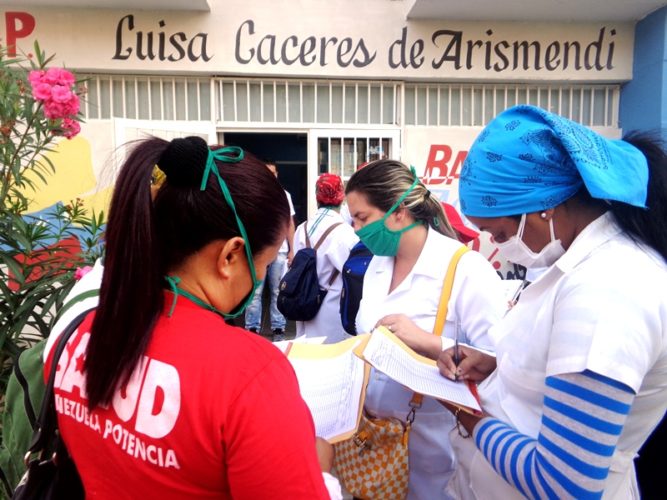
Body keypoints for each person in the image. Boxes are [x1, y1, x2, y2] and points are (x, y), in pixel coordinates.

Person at [44, 136, 337, 498]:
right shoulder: (249, 375)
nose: (262, 275)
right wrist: (320, 470)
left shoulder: (79, 335)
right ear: (231, 256)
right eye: (266, 260)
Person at [437, 105, 667, 499]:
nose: (495, 244)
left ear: (543, 208)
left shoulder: (608, 290)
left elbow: (566, 483)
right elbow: (566, 376)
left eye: (499, 231)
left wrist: (467, 414)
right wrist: (498, 366)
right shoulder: (579, 265)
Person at [345, 160, 506, 499]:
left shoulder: (465, 270)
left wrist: (429, 343)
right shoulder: (377, 264)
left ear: (399, 212)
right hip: (374, 440)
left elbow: (501, 363)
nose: (357, 229)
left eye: (363, 218)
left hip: (434, 449)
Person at [292, 173, 358, 343]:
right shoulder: (344, 232)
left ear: (316, 196)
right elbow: (351, 272)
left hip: (303, 302)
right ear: (342, 197)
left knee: (305, 354)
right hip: (329, 306)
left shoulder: (302, 228)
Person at [244, 159, 295, 341]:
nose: (271, 176)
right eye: (268, 172)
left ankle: (279, 328)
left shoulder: (284, 195)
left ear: (277, 174)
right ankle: (252, 328)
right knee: (255, 291)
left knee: (277, 291)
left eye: (274, 172)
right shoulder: (253, 193)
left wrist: (292, 249)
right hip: (259, 250)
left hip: (280, 251)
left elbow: (289, 223)